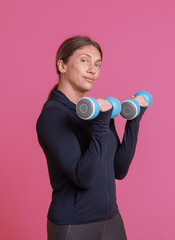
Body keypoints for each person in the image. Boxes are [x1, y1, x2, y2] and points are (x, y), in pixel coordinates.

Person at [36, 35, 148, 240]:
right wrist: (101, 124)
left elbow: (119, 169)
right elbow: (84, 178)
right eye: (84, 60)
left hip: (111, 220)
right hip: (75, 225)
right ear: (62, 65)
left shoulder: (97, 113)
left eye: (97, 64)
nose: (92, 69)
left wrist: (134, 122)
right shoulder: (53, 116)